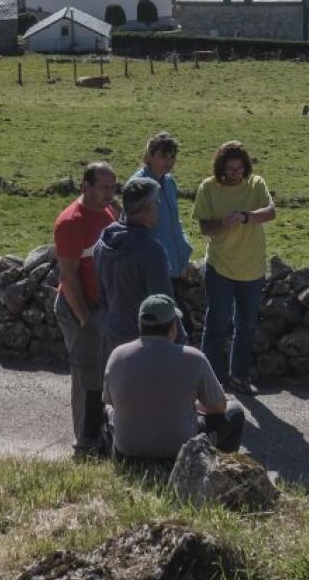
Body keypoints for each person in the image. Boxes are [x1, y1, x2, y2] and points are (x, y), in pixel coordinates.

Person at [103, 293, 246, 461]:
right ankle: (216, 469)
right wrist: (194, 406)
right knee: (235, 411)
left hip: (127, 453)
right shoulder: (194, 358)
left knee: (107, 411)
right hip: (180, 454)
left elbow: (110, 401)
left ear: (140, 325)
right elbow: (219, 406)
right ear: (173, 328)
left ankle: (109, 457)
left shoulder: (117, 355)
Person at [194, 140, 275, 395]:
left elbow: (270, 212)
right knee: (216, 325)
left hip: (252, 267)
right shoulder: (208, 187)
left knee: (246, 325)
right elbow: (204, 227)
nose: (235, 174)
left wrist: (246, 216)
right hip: (220, 266)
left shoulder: (256, 184)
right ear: (221, 167)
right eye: (230, 169)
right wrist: (224, 224)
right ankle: (210, 383)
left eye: (239, 169)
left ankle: (239, 377)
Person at [54, 161, 120, 456]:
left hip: (100, 308)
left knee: (101, 374)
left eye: (113, 187)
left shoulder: (107, 212)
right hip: (79, 308)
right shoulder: (71, 222)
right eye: (104, 187)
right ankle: (84, 443)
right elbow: (68, 277)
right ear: (85, 186)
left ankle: (99, 435)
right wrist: (84, 319)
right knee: (86, 377)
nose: (110, 193)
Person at [96, 176, 175, 343]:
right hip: (146, 341)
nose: (158, 208)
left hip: (112, 336)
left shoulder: (103, 242)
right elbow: (163, 304)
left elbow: (101, 296)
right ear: (147, 209)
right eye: (156, 203)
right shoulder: (151, 250)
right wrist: (180, 344)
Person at [130, 132, 195, 284]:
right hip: (153, 268)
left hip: (175, 266)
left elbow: (175, 220)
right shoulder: (138, 185)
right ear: (150, 156)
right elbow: (132, 229)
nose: (169, 161)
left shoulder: (169, 181)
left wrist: (184, 249)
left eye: (172, 157)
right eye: (164, 156)